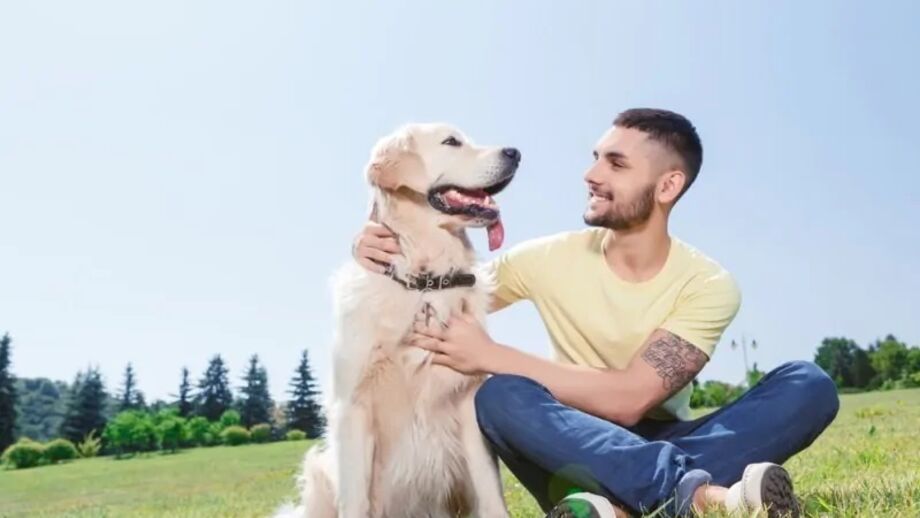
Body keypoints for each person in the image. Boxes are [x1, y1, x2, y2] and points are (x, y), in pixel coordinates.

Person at [352, 108, 839, 517]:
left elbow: (631, 399)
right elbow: (434, 288)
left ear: (668, 186)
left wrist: (489, 354)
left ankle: (617, 507)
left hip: (658, 436)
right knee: (500, 397)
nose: (592, 175)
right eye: (595, 158)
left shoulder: (708, 284)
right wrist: (379, 236)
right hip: (566, 442)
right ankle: (702, 497)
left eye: (616, 164)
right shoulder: (545, 258)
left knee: (809, 384)